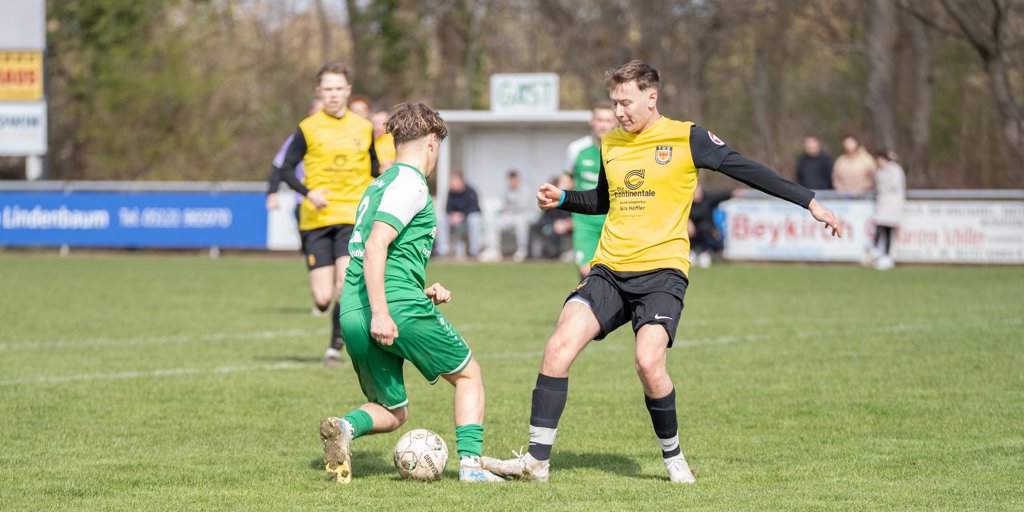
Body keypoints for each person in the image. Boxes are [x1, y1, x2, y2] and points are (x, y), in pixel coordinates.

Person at [482, 60, 842, 484]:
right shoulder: (611, 143)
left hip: (662, 273)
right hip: (609, 268)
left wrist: (809, 201)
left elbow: (746, 168)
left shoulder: (687, 138)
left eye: (626, 103)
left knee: (648, 362)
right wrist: (563, 198)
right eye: (614, 104)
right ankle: (536, 463)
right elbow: (605, 200)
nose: (618, 113)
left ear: (651, 97)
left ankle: (673, 457)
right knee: (558, 347)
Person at [319, 102, 503, 484]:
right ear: (432, 142)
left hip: (353, 307)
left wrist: (420, 289)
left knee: (393, 410)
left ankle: (344, 428)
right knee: (469, 375)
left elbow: (381, 254)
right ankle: (472, 467)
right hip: (390, 304)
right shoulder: (411, 183)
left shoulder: (379, 184)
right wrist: (384, 312)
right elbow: (376, 246)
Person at [277, 62, 380, 367]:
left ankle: (335, 347)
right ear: (318, 92)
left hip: (351, 217)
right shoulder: (307, 128)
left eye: (338, 88)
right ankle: (330, 320)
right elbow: (285, 169)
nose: (333, 94)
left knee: (344, 286)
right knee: (322, 297)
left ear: (348, 91)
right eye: (328, 89)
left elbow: (375, 167)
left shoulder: (363, 128)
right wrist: (309, 193)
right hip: (317, 220)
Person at [565, 102, 617, 275]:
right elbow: (567, 178)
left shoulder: (624, 149)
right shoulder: (576, 149)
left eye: (608, 120)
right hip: (584, 221)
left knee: (614, 272)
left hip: (614, 220)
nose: (603, 125)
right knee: (586, 270)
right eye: (599, 119)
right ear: (591, 121)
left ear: (615, 123)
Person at [266, 97, 325, 226]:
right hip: (306, 201)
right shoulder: (299, 138)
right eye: (319, 112)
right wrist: (272, 192)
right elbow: (280, 165)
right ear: (310, 112)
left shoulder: (345, 136)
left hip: (341, 204)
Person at [864, 149, 905, 270]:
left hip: (892, 203)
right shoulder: (880, 171)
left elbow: (895, 186)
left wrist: (882, 190)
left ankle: (885, 256)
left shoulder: (895, 170)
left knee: (888, 229)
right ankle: (877, 252)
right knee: (880, 226)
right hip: (883, 203)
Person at [480, 169, 534, 262]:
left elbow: (523, 206)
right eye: (510, 180)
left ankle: (522, 251)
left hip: (525, 215)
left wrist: (510, 208)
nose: (511, 182)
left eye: (513, 180)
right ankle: (494, 250)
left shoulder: (526, 190)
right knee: (495, 222)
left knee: (521, 223)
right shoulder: (506, 191)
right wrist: (506, 209)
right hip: (511, 215)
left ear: (517, 180)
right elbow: (504, 205)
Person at [435, 172, 483, 259]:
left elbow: (474, 207)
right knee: (441, 219)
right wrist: (452, 216)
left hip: (468, 217)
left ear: (462, 181)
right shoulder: (451, 192)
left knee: (474, 219)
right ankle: (442, 250)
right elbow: (448, 208)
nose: (453, 184)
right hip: (455, 219)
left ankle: (474, 252)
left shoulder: (471, 191)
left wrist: (462, 215)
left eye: (455, 181)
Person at [688, 183, 735, 268]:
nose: (697, 194)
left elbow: (721, 196)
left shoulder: (708, 199)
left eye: (698, 192)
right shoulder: (686, 202)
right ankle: (691, 252)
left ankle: (705, 253)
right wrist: (688, 221)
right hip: (692, 232)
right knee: (686, 229)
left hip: (709, 230)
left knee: (704, 228)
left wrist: (732, 193)